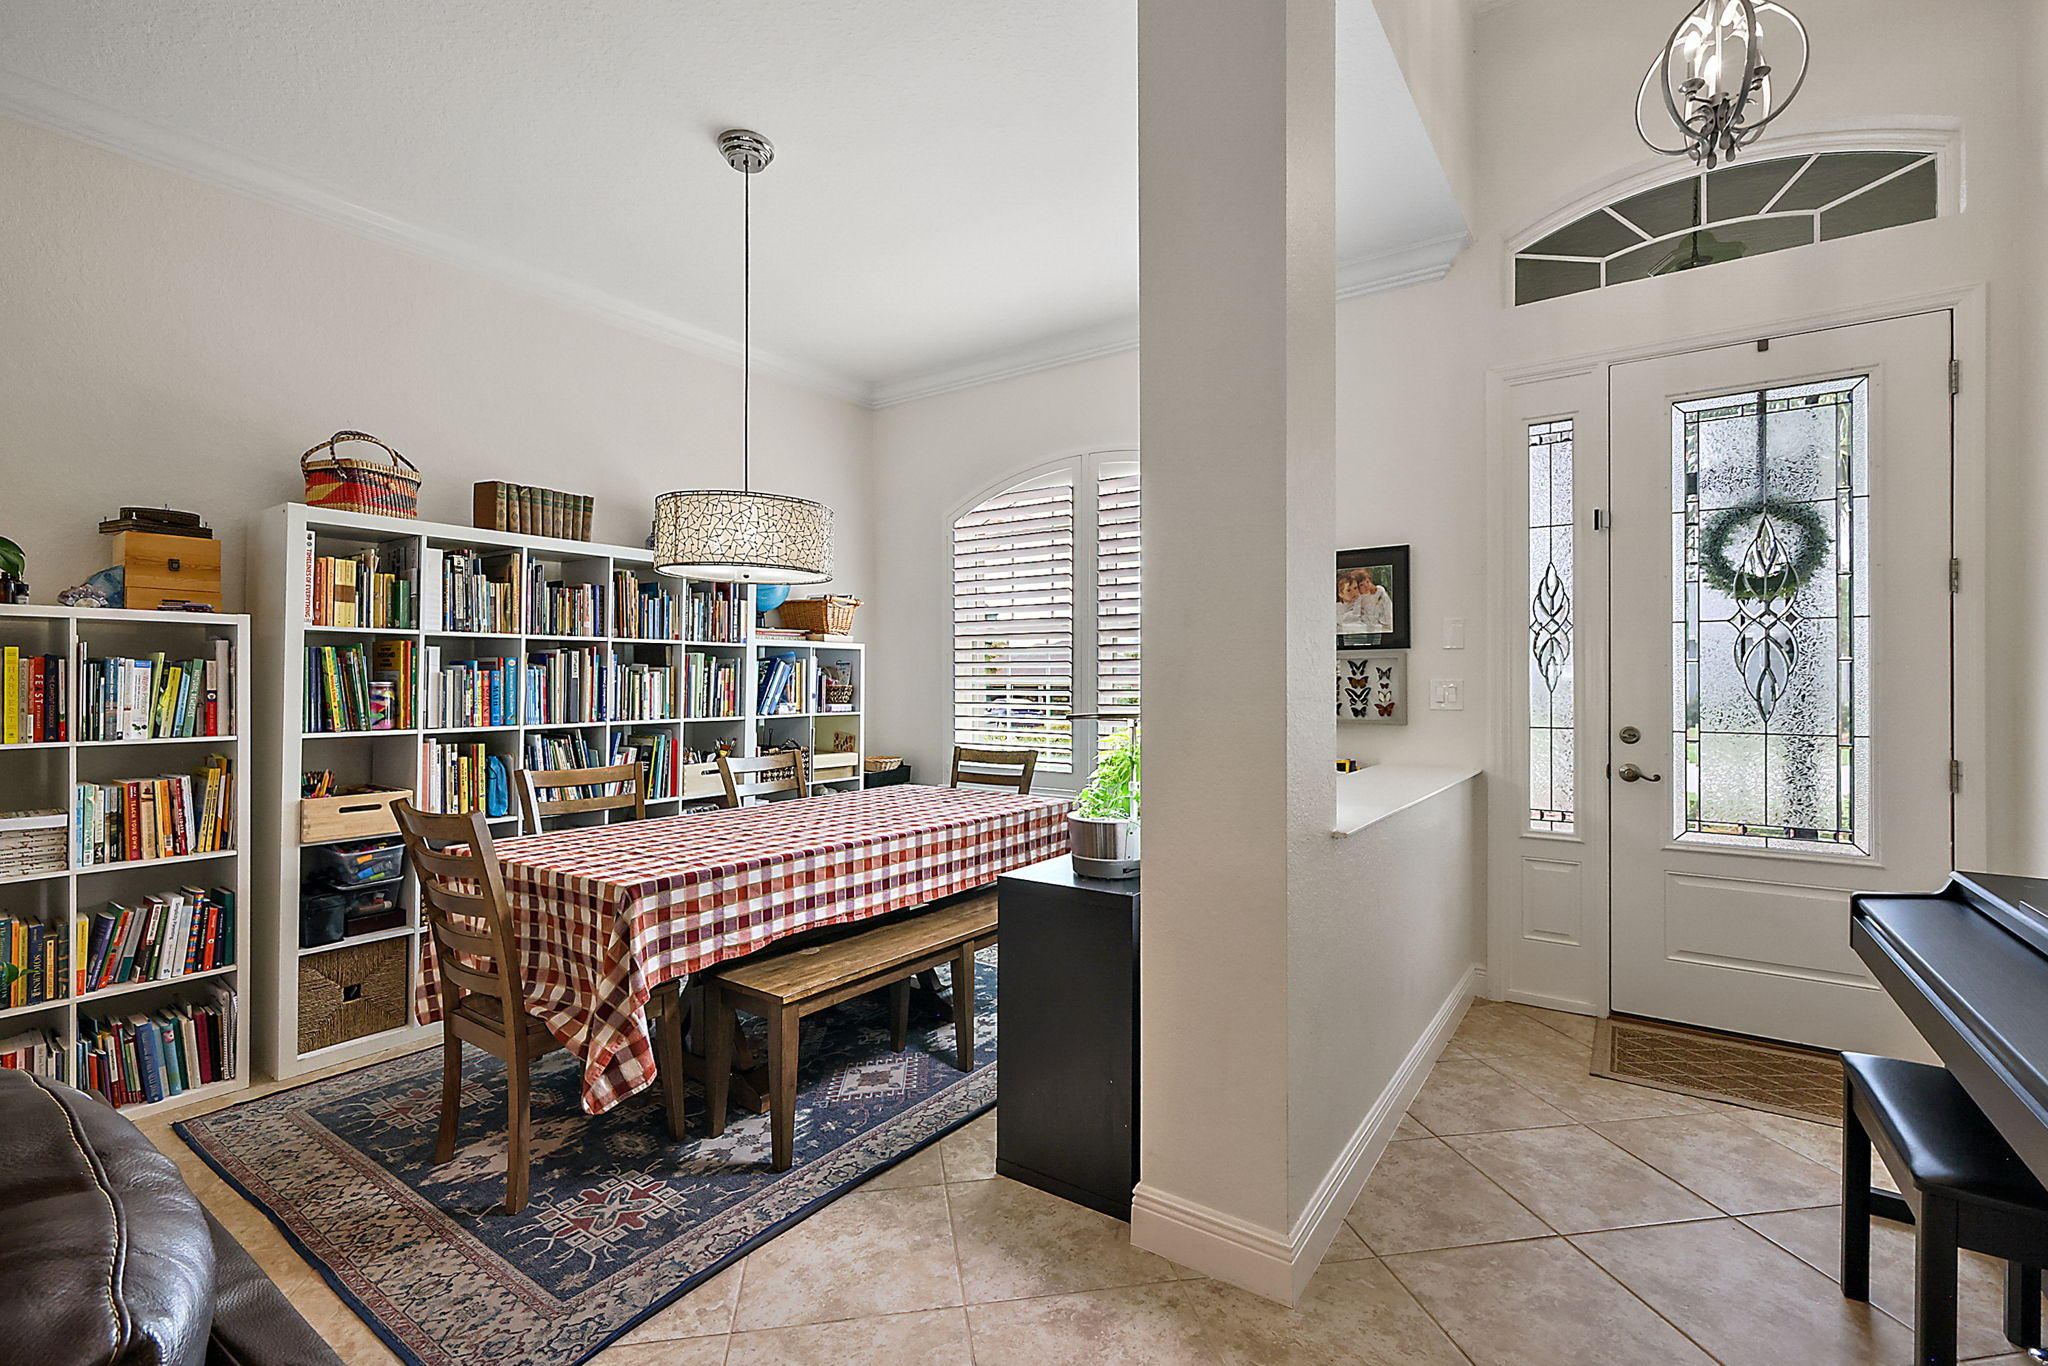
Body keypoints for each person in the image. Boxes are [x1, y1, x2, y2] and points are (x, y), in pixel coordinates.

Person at [1338, 568, 1394, 636]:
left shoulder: (1376, 591)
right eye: (1361, 585)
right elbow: (1355, 613)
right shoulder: (1358, 597)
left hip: (1383, 616)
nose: (1366, 586)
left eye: (1367, 582)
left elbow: (1384, 599)